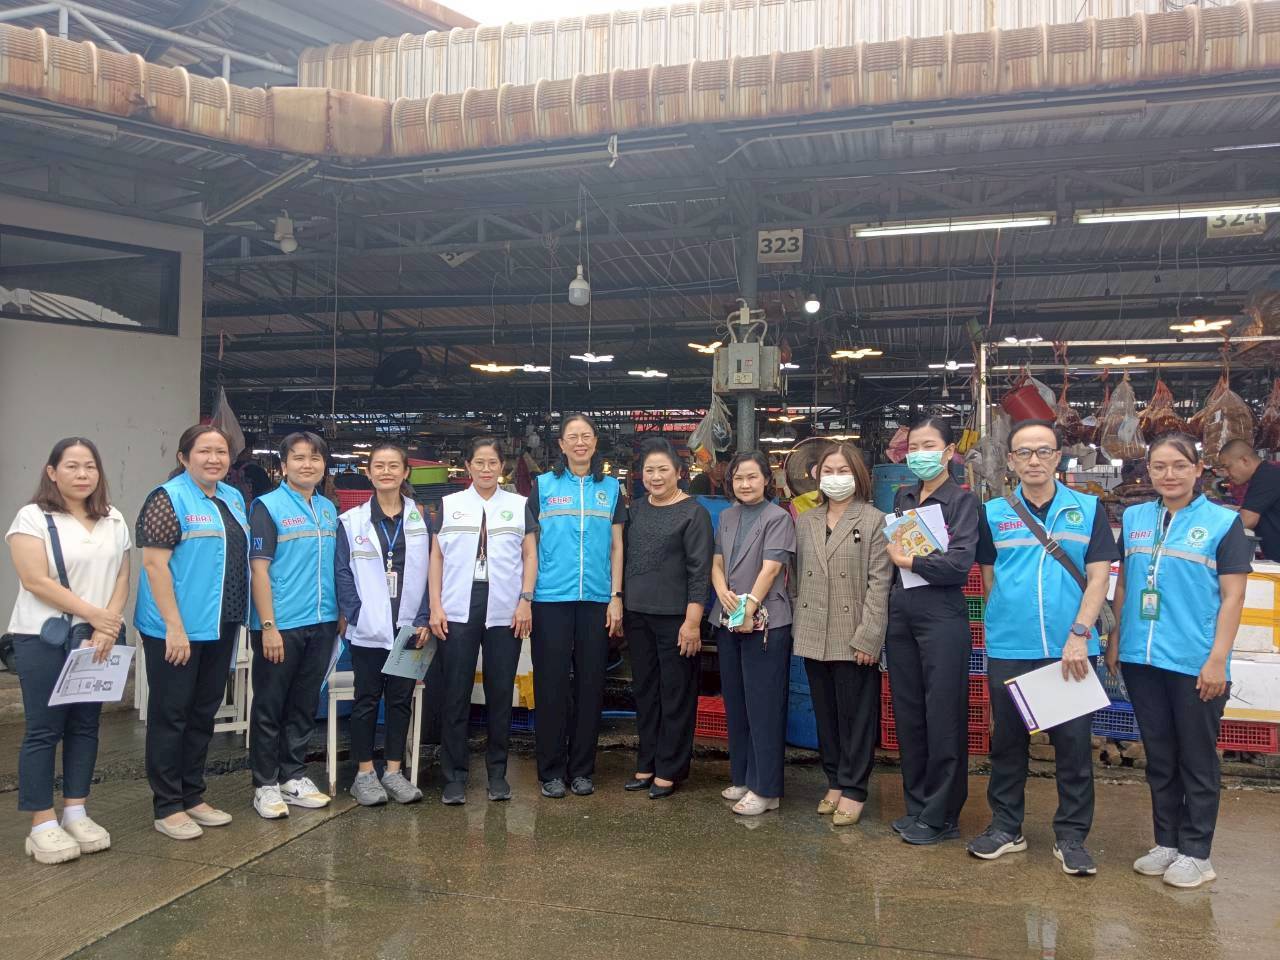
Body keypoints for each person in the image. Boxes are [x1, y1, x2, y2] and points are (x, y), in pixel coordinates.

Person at [969, 419, 1117, 875]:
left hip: (1069, 649)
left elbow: (1099, 578)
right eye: (1024, 452)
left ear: (1057, 457)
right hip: (1010, 647)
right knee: (1007, 742)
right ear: (1012, 461)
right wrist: (1007, 621)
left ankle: (1071, 837)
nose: (1034, 460)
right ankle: (1005, 827)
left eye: (1043, 451)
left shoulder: (1087, 509)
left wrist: (1079, 633)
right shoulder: (994, 513)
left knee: (1072, 745)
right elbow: (989, 578)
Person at [1109, 432, 1250, 889]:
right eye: (1159, 466)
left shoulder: (1223, 523)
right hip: (1142, 658)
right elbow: (1125, 584)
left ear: (1197, 469)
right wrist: (1116, 637)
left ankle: (1197, 853)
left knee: (1196, 759)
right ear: (1148, 471)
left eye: (1179, 465)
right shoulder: (1134, 518)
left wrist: (1217, 659)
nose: (1169, 475)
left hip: (1194, 661)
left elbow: (1233, 598)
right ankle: (1167, 842)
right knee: (1161, 756)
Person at [5, 438, 129, 864]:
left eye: (89, 466)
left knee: (85, 725)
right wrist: (96, 616)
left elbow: (122, 577)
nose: (82, 474)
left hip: (98, 638)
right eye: (72, 466)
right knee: (44, 729)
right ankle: (42, 822)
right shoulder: (33, 517)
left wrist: (108, 625)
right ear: (52, 472)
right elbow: (35, 580)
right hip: (43, 637)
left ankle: (76, 810)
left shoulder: (113, 518)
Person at [134, 425, 248, 841]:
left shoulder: (232, 497)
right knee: (172, 714)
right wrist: (173, 626)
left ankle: (192, 795)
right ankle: (167, 805)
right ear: (184, 457)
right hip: (177, 628)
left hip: (221, 622)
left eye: (221, 451)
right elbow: (154, 565)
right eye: (204, 451)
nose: (214, 459)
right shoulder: (168, 498)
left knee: (203, 713)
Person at [883, 416, 980, 845]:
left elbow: (959, 565)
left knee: (943, 714)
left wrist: (910, 561)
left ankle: (942, 815)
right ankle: (918, 806)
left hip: (942, 614)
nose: (919, 454)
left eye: (929, 446)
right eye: (914, 447)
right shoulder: (903, 496)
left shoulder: (962, 501)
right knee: (909, 713)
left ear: (948, 452)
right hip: (903, 611)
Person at [429, 437, 538, 804]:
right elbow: (436, 558)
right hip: (457, 606)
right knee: (456, 693)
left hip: (506, 608)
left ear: (502, 466)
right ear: (468, 466)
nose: (486, 469)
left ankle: (497, 774)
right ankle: (455, 776)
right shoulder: (450, 505)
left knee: (500, 692)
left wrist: (525, 600)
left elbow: (530, 555)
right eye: (479, 462)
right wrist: (435, 606)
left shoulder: (519, 505)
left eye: (493, 462)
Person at [792, 444, 892, 825]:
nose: (835, 478)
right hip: (813, 629)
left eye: (843, 470)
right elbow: (796, 576)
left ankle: (854, 787)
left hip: (853, 634)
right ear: (817, 476)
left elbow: (879, 584)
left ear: (859, 476)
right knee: (826, 714)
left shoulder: (875, 521)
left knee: (856, 716)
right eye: (828, 471)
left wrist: (870, 637)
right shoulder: (806, 520)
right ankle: (833, 779)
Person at [529, 414, 626, 799]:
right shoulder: (542, 486)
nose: (580, 442)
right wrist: (526, 596)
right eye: (573, 436)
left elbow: (617, 546)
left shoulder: (612, 489)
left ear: (595, 442)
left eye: (586, 436)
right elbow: (529, 546)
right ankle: (550, 771)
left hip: (597, 601)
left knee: (590, 685)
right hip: (550, 599)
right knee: (551, 685)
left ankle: (582, 769)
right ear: (562, 444)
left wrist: (616, 596)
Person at [246, 432, 339, 819]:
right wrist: (268, 625)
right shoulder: (267, 507)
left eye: (315, 458)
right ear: (283, 465)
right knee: (270, 704)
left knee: (304, 704)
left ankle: (293, 776)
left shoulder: (328, 509)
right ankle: (265, 784)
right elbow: (258, 570)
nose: (307, 465)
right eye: (298, 458)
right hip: (280, 624)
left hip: (322, 620)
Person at [335, 442, 432, 807]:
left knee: (400, 700)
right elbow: (342, 572)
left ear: (405, 472)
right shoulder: (351, 521)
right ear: (369, 472)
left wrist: (424, 617)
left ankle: (393, 771)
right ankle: (364, 774)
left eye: (394, 466)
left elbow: (433, 570)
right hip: (368, 629)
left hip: (410, 629)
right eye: (379, 466)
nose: (386, 472)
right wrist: (356, 614)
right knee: (366, 699)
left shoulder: (422, 518)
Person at [622, 439, 714, 799]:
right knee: (645, 692)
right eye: (649, 470)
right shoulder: (636, 510)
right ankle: (646, 762)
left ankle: (670, 769)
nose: (656, 477)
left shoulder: (694, 513)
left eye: (663, 470)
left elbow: (699, 571)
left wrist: (692, 622)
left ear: (679, 472)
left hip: (677, 619)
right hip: (638, 616)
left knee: (676, 693)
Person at [708, 451, 797, 816]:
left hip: (766, 621)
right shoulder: (727, 516)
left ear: (766, 480)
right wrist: (722, 593)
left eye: (752, 477)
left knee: (764, 705)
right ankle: (744, 777)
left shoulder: (778, 517)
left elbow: (771, 569)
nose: (745, 484)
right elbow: (716, 562)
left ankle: (766, 788)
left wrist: (749, 607)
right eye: (738, 478)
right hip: (728, 618)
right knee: (737, 701)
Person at [1217, 439, 1279, 560]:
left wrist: (1211, 527)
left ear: (1244, 460)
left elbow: (1247, 520)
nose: (1227, 474)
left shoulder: (1265, 476)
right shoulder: (1264, 474)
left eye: (1227, 467)